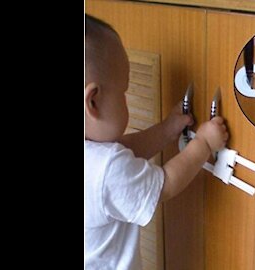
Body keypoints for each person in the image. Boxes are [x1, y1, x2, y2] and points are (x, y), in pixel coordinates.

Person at [84, 14, 228, 269]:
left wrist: (167, 130)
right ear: (93, 102)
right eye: (124, 92)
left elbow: (126, 152)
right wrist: (204, 143)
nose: (126, 99)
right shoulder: (105, 169)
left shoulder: (97, 161)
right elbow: (166, 184)